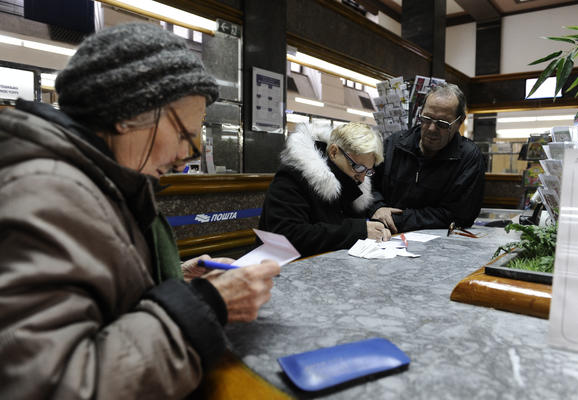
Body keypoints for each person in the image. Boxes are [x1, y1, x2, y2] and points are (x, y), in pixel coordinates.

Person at [0, 23, 280, 399]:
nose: (186, 157)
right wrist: (204, 305)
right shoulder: (43, 193)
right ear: (128, 112)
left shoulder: (94, 180)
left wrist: (172, 280)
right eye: (184, 135)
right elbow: (50, 385)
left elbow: (95, 294)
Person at [258, 122, 390, 257]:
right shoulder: (294, 176)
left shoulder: (351, 182)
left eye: (368, 171)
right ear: (334, 152)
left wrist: (375, 229)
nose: (362, 179)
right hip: (277, 266)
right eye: (358, 168)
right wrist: (359, 231)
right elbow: (288, 236)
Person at [370, 83, 486, 234]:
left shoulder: (469, 159)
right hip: (383, 238)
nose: (431, 128)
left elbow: (460, 215)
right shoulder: (394, 144)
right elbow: (368, 184)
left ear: (459, 122)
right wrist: (378, 207)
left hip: (438, 247)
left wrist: (398, 219)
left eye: (442, 124)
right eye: (426, 119)